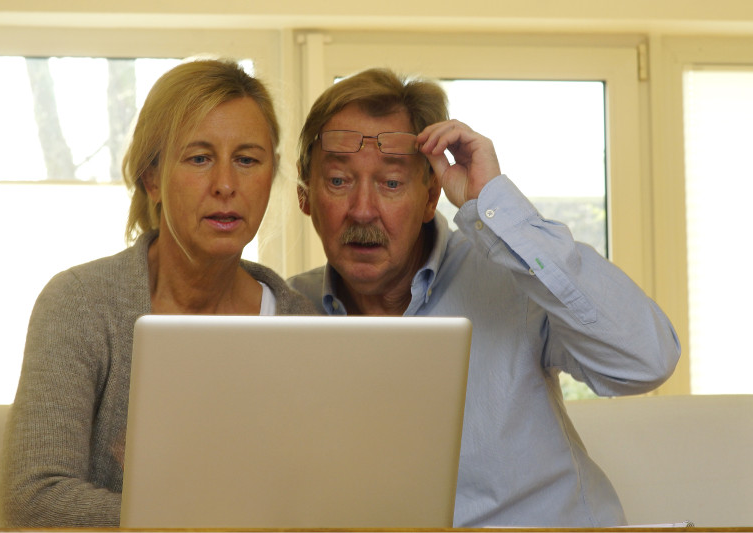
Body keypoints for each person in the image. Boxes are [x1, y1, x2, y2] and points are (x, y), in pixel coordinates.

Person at [288, 68, 681, 527]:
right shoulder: (284, 310)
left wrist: (494, 206)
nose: (362, 209)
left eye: (391, 183)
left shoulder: (515, 276)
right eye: (338, 181)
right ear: (305, 197)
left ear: (430, 194)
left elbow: (647, 361)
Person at [0, 59, 316, 527]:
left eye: (247, 160)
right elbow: (33, 499)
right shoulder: (80, 303)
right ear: (152, 178)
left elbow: (316, 498)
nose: (226, 184)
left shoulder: (301, 323)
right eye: (199, 157)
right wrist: (208, 518)